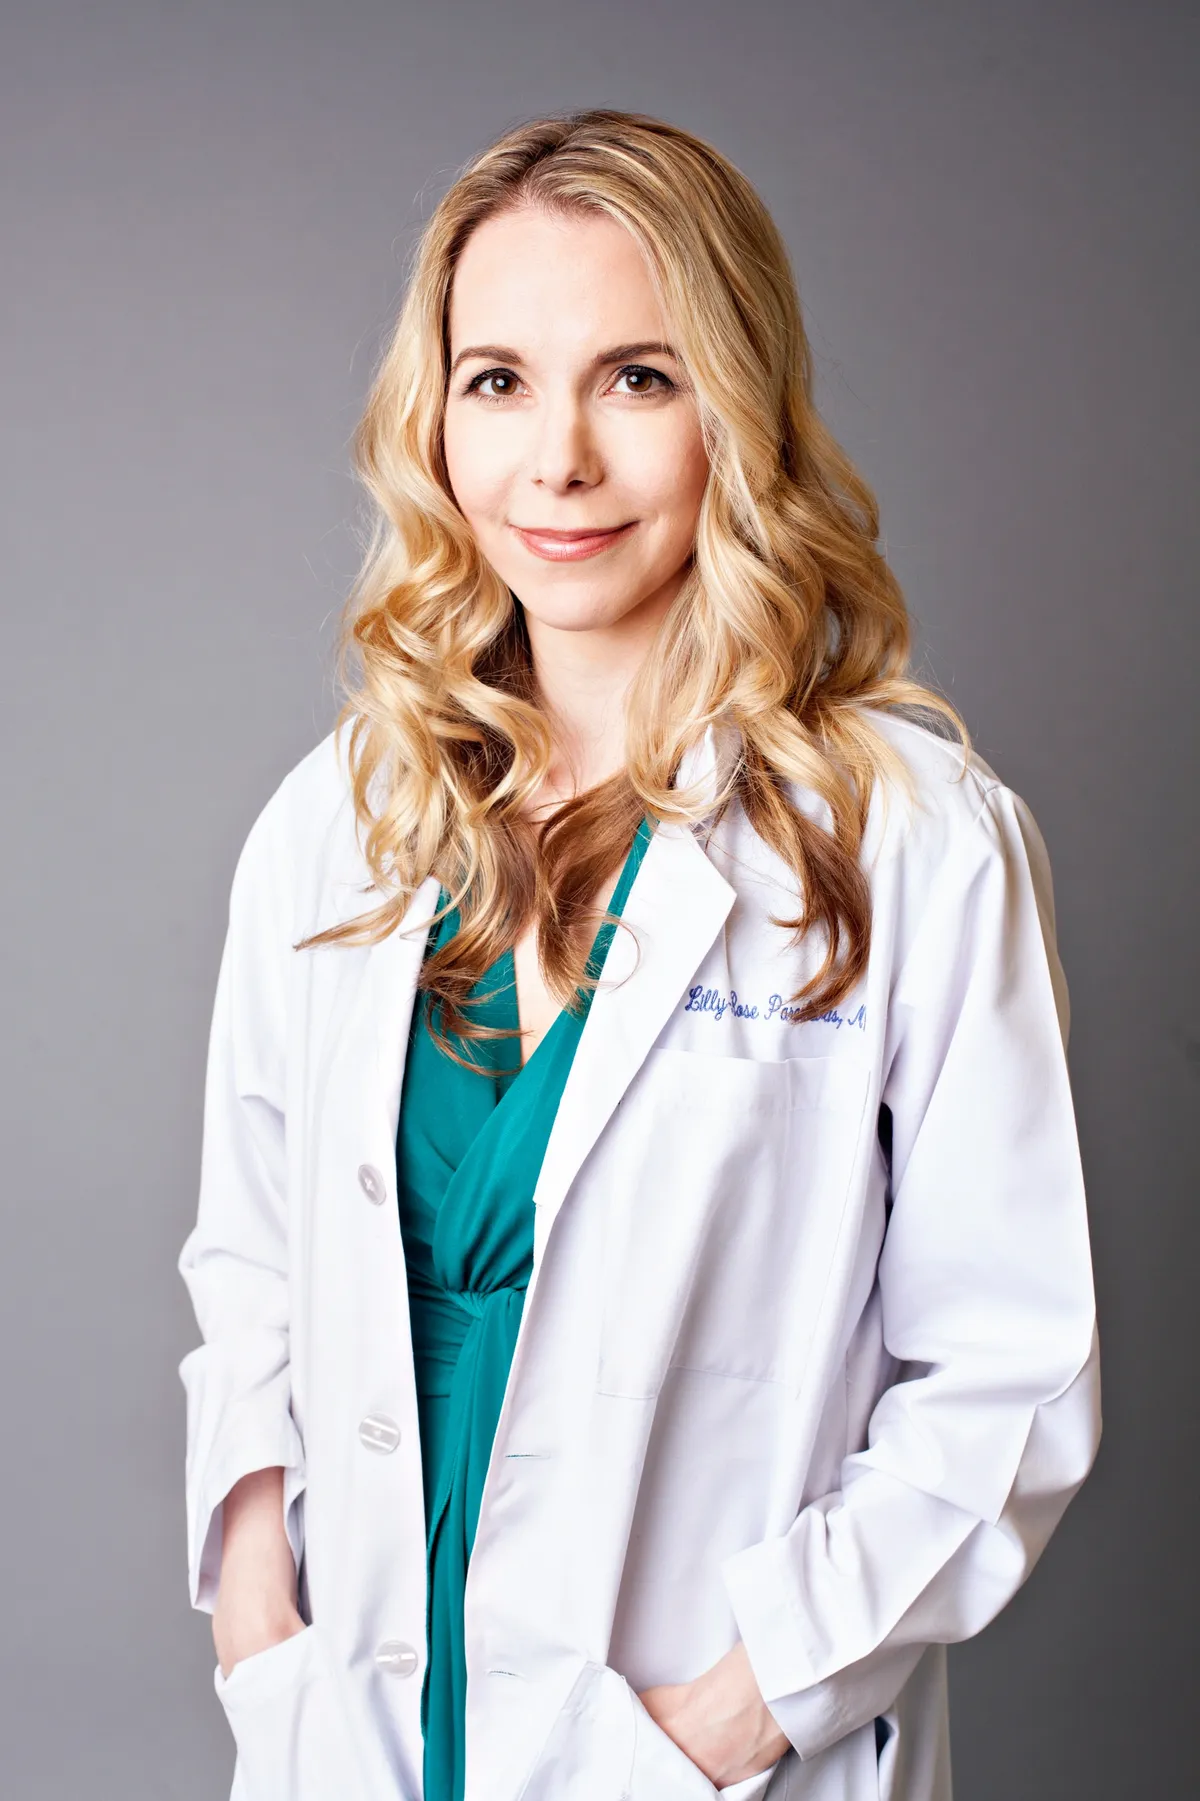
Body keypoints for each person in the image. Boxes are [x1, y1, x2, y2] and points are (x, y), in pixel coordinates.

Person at [177, 109, 1101, 1801]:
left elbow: (1009, 1385)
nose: (559, 465)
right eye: (500, 381)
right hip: (363, 1735)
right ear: (433, 418)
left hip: (690, 1750)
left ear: (734, 409)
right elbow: (247, 1276)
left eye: (638, 378)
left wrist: (724, 1724)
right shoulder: (338, 824)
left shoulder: (907, 838)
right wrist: (261, 1626)